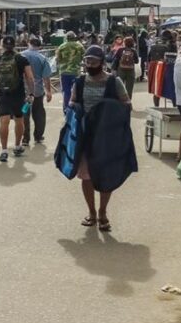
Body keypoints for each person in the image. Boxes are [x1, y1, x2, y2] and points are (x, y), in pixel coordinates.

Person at [70, 46, 134, 232]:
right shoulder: (80, 82)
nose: (90, 65)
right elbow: (72, 101)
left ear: (102, 62)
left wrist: (110, 109)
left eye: (94, 61)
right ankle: (91, 212)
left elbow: (127, 103)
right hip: (86, 136)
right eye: (87, 61)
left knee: (107, 174)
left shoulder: (114, 82)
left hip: (107, 137)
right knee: (86, 175)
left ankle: (103, 211)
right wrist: (75, 107)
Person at [0, 36, 35, 162]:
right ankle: (18, 146)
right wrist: (31, 93)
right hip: (18, 95)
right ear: (15, 45)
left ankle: (4, 150)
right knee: (19, 120)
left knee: (4, 121)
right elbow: (30, 78)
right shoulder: (22, 59)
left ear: (2, 45)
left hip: (2, 95)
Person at [21, 37, 54, 147]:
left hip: (23, 91)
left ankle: (25, 138)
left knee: (24, 113)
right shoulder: (42, 58)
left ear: (28, 43)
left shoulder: (20, 56)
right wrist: (49, 91)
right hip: (37, 91)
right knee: (39, 114)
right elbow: (46, 77)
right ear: (39, 46)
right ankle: (38, 136)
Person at [56, 31, 84, 110]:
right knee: (76, 91)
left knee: (66, 91)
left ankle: (67, 109)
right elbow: (84, 57)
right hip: (76, 72)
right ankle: (75, 108)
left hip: (64, 72)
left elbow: (58, 59)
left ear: (66, 38)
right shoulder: (79, 46)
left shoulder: (61, 46)